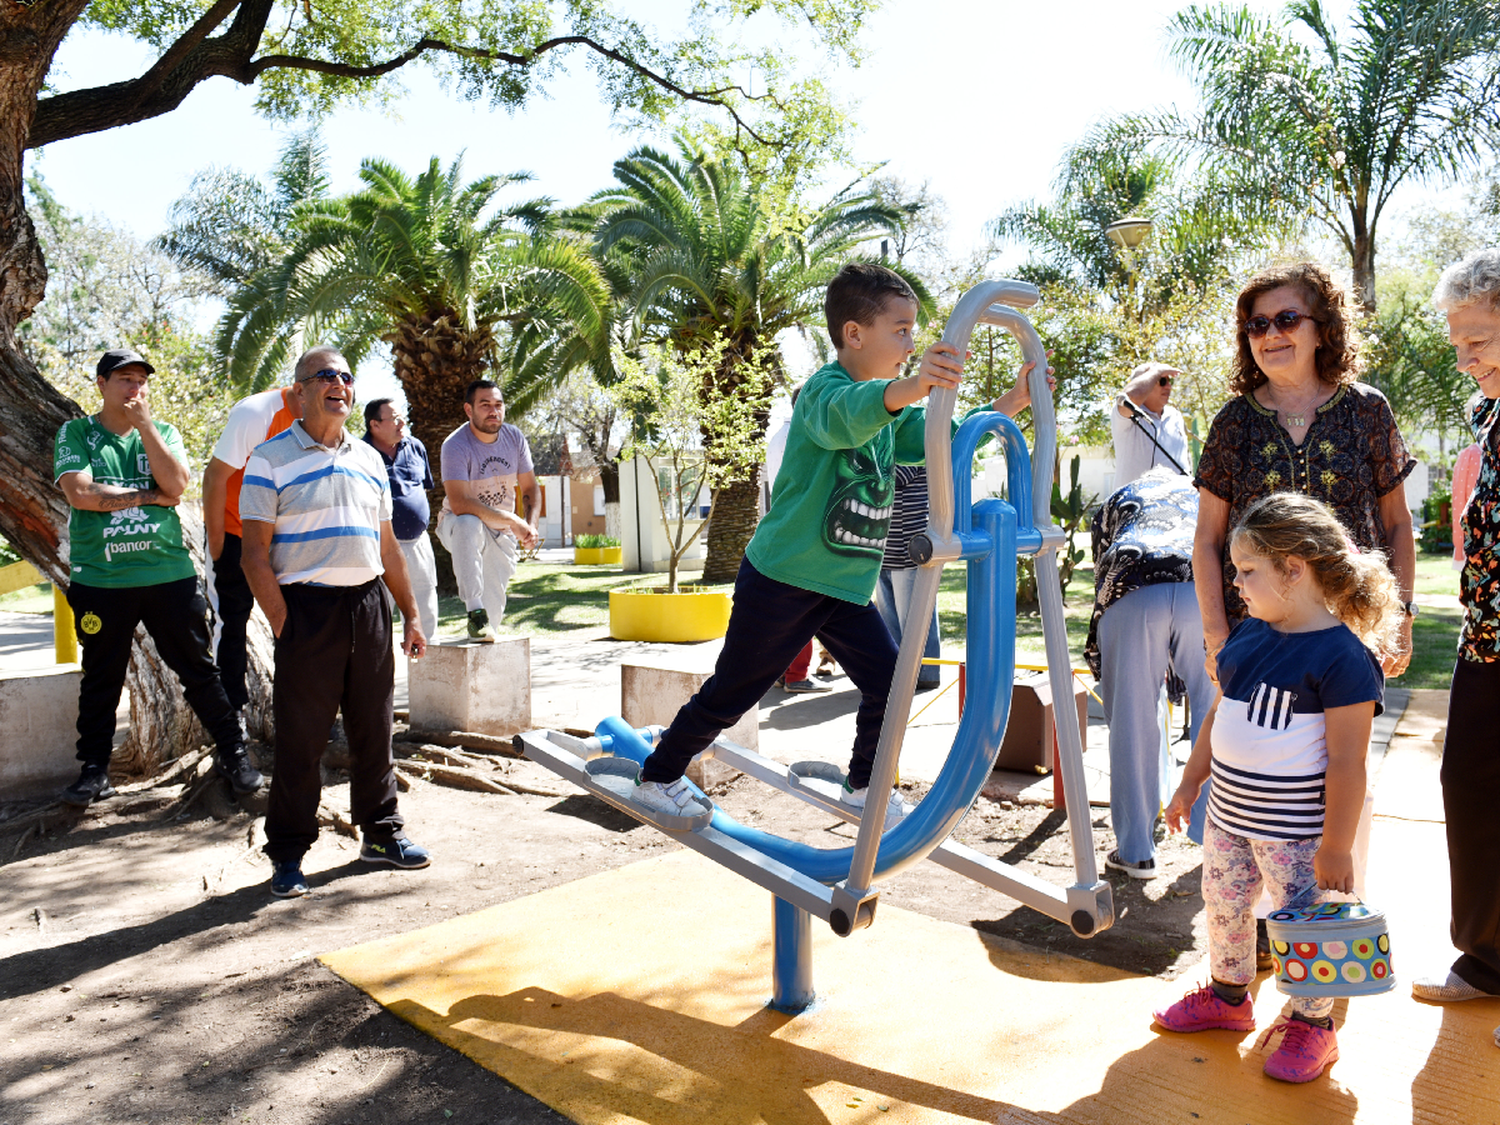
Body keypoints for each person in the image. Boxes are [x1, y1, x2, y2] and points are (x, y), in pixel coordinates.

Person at [629, 262, 1044, 821]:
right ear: (855, 334)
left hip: (843, 586)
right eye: (901, 329)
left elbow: (936, 434)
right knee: (732, 692)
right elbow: (844, 419)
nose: (910, 342)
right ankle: (657, 775)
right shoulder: (825, 392)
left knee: (890, 682)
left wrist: (1007, 406)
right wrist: (916, 383)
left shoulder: (889, 414)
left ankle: (863, 787)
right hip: (784, 578)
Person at [1155, 492, 1398, 1083]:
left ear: (1295, 569)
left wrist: (1336, 847)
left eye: (1248, 571)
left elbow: (1347, 762)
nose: (1236, 583)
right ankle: (1229, 998)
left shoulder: (1343, 657)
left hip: (1295, 834)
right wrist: (1190, 784)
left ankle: (1314, 1026)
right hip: (1229, 820)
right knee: (1225, 906)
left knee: (1301, 926)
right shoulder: (1249, 636)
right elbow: (1218, 717)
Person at [239, 346, 430, 898]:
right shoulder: (269, 459)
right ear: (299, 392)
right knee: (302, 741)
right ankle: (289, 855)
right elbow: (254, 554)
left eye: (346, 377)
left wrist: (411, 615)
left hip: (368, 607)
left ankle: (381, 833)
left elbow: (388, 547)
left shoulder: (370, 459)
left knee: (375, 730)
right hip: (306, 611)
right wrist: (283, 622)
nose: (339, 384)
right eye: (325, 376)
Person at [54, 349, 261, 806]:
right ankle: (93, 770)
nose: (135, 389)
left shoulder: (162, 432)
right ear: (102, 384)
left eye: (141, 381)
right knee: (100, 678)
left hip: (169, 577)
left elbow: (178, 486)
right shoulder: (77, 433)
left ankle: (235, 755)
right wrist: (150, 495)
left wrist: (146, 428)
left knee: (200, 673)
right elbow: (81, 493)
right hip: (101, 581)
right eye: (125, 379)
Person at [1193, 261, 1417, 683]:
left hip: (1352, 630)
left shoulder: (1368, 410)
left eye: (1288, 319)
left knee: (1343, 750)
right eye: (1257, 325)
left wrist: (1401, 617)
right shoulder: (1233, 423)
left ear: (1323, 330)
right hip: (1254, 637)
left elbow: (1398, 525)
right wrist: (1216, 638)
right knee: (1253, 748)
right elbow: (1207, 540)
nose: (1272, 334)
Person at [1410, 248, 1500, 1033]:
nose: (1463, 357)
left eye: (1477, 340)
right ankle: (1485, 958)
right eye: (1457, 341)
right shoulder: (1487, 414)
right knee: (1468, 788)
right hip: (1485, 638)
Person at [1085, 468, 1215, 879]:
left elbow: (1101, 562)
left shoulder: (1120, 497)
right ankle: (1215, 839)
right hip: (1200, 587)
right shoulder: (1204, 492)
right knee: (1218, 716)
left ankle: (1136, 851)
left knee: (1132, 722)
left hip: (1132, 585)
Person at [202, 383, 301, 715]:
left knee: (296, 624)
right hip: (235, 533)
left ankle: (302, 713)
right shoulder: (257, 414)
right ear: (300, 387)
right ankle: (232, 719)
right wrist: (217, 543)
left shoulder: (327, 418)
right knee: (231, 624)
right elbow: (215, 476)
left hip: (285, 538)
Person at [436, 380, 540, 643]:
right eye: (485, 405)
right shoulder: (455, 445)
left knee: (488, 632)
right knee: (469, 523)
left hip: (501, 533)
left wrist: (530, 525)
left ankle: (482, 631)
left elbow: (530, 487)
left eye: (498, 405)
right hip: (456, 525)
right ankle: (474, 609)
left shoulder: (514, 438)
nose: (494, 411)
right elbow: (460, 503)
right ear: (469, 410)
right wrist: (513, 520)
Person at [363, 398, 439, 640]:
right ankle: (382, 676)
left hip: (418, 543)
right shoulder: (359, 454)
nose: (402, 422)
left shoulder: (415, 446)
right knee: (378, 617)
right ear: (374, 425)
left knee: (425, 611)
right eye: (394, 418)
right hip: (378, 547)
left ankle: (427, 674)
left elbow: (423, 490)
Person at [874, 465, 942, 693]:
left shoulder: (912, 445)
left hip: (908, 547)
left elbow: (889, 479)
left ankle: (926, 673)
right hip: (884, 547)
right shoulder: (887, 446)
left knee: (914, 617)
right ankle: (897, 673)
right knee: (889, 621)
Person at [1112, 362, 1191, 485]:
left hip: (1175, 501)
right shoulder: (1127, 413)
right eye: (1162, 381)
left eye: (1170, 382)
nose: (1168, 387)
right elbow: (1130, 397)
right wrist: (1156, 371)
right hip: (1137, 503)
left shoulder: (1175, 416)